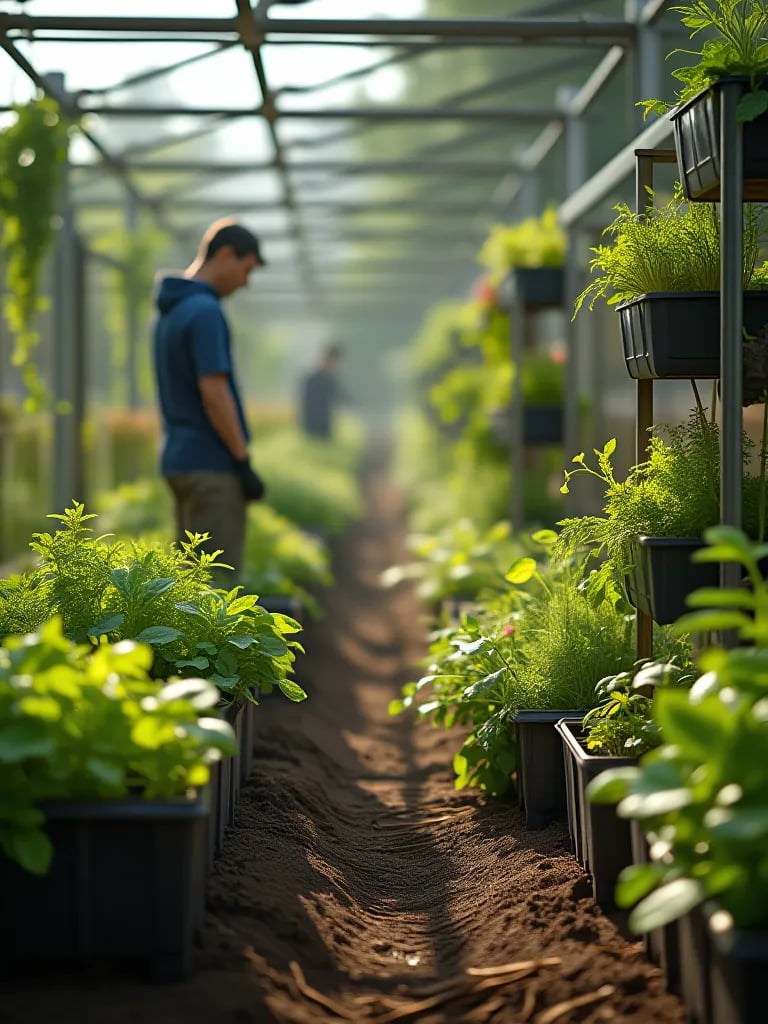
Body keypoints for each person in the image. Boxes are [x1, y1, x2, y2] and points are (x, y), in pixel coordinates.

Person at [152, 218, 267, 579]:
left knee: (188, 584)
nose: (246, 283)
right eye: (246, 270)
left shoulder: (171, 311)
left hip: (179, 459)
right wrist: (242, 459)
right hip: (211, 466)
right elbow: (214, 392)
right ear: (227, 255)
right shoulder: (206, 312)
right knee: (216, 587)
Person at [299, 343, 346, 440]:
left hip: (316, 427)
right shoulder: (320, 379)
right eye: (338, 360)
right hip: (316, 428)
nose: (339, 365)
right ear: (332, 359)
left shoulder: (323, 377)